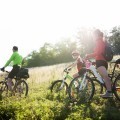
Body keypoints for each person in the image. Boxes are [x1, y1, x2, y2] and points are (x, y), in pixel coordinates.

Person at [85, 29, 113, 98]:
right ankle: (110, 90)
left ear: (96, 35)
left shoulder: (99, 41)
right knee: (105, 77)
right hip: (103, 61)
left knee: (105, 77)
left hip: (100, 62)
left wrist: (88, 55)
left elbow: (98, 53)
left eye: (93, 35)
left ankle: (109, 92)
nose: (93, 37)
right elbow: (100, 54)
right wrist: (95, 61)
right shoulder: (102, 41)